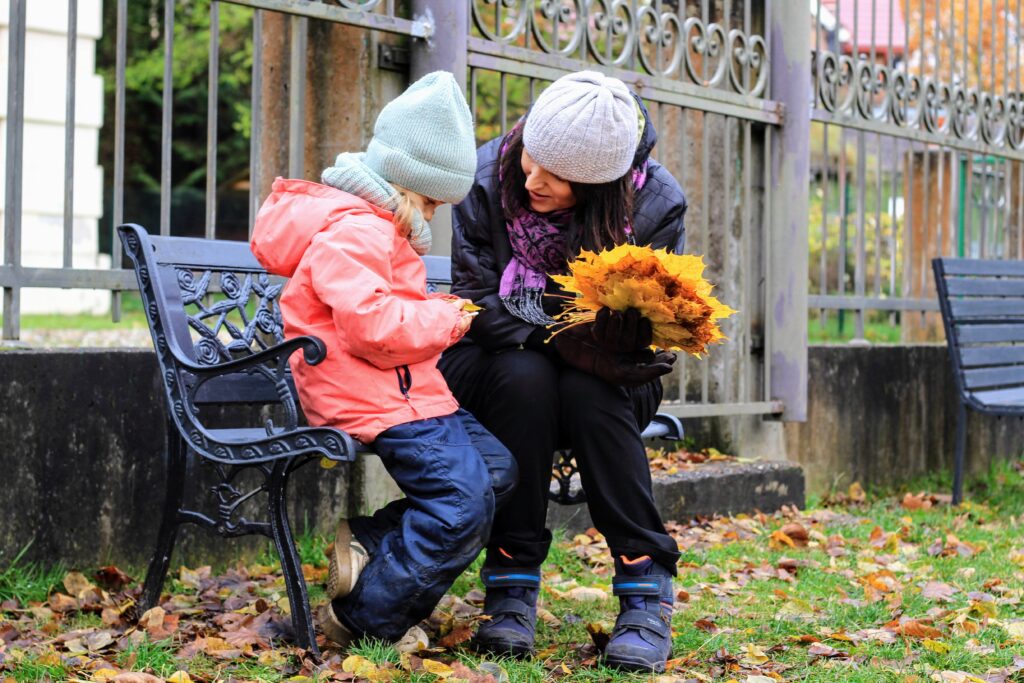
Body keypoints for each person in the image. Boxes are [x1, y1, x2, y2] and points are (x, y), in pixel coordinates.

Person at [250, 71, 517, 649]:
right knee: (460, 503)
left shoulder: (380, 229)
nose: (431, 214)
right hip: (370, 396)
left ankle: (370, 542)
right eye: (428, 200)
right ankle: (366, 619)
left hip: (404, 392)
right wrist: (448, 318)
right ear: (402, 182)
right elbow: (373, 327)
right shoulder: (354, 232)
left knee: (497, 472)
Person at [438, 70, 688, 673]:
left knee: (586, 385)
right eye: (532, 155)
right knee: (528, 378)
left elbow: (649, 321)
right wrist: (565, 336)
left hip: (606, 374)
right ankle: (511, 586)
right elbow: (475, 304)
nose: (532, 178)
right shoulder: (485, 178)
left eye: (557, 173)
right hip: (498, 358)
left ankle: (644, 587)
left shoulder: (654, 202)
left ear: (601, 185)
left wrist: (616, 342)